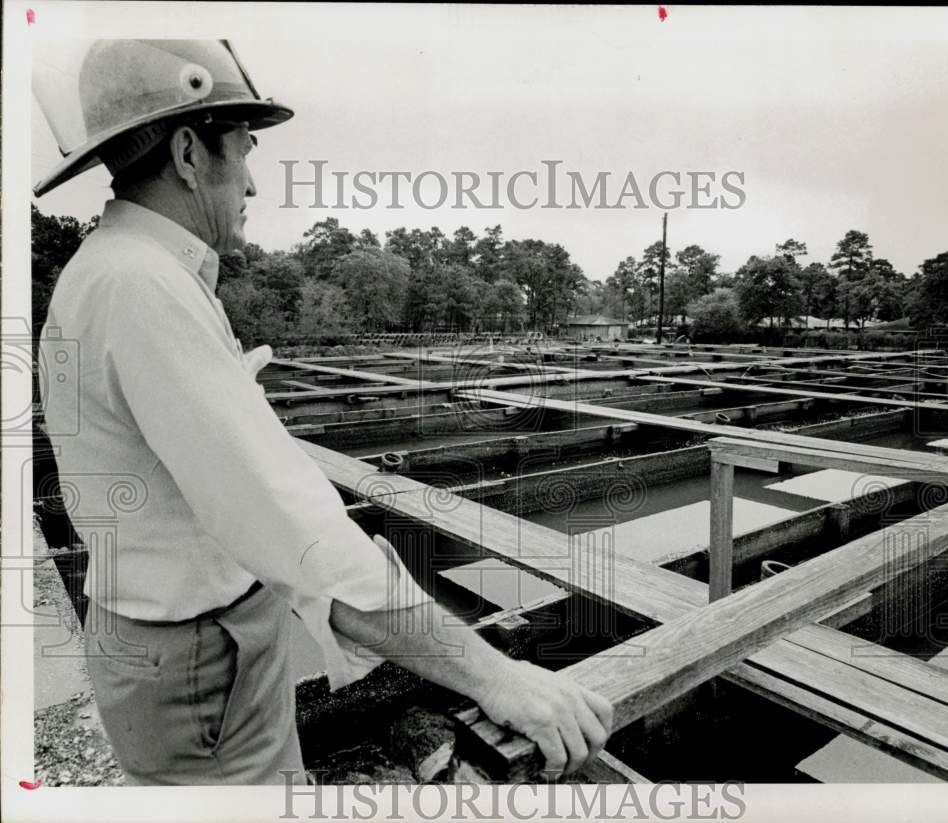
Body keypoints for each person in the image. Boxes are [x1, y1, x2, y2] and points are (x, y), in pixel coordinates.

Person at [35, 39, 611, 786]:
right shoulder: (142, 289)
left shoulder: (114, 272)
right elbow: (299, 535)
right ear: (187, 152)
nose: (252, 180)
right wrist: (500, 678)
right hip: (198, 663)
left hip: (178, 647)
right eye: (242, 149)